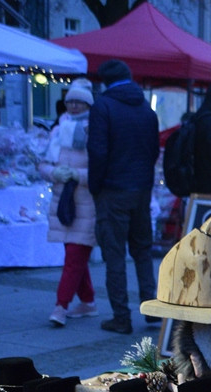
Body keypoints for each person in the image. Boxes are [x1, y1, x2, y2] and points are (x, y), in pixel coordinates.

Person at [87, 59, 160, 335]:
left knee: (114, 254)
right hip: (141, 189)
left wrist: (97, 187)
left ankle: (121, 316)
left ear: (105, 81)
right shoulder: (145, 109)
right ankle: (151, 308)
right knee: (142, 251)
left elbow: (98, 152)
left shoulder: (103, 107)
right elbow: (153, 152)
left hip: (113, 190)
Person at [39, 79, 98, 327]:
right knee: (74, 255)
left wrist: (78, 175)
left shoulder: (96, 129)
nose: (73, 105)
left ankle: (60, 306)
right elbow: (42, 162)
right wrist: (54, 174)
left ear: (88, 103)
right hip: (63, 203)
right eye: (70, 101)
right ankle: (88, 301)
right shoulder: (57, 129)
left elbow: (100, 168)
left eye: (79, 101)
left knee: (74, 256)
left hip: (87, 203)